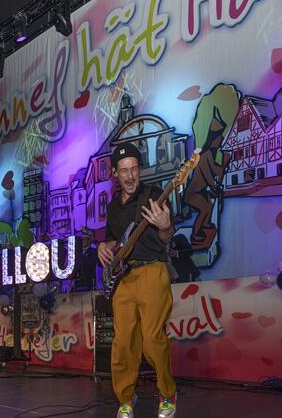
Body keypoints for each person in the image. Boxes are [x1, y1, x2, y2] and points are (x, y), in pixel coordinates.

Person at [97, 144, 177, 418]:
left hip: (152, 271)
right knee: (123, 343)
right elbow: (112, 240)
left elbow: (165, 238)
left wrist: (165, 226)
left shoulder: (154, 195)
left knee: (152, 339)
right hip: (124, 278)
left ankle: (168, 394)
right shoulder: (113, 208)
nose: (130, 176)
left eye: (134, 169)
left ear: (139, 170)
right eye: (124, 171)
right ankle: (126, 399)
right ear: (115, 174)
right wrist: (103, 247)